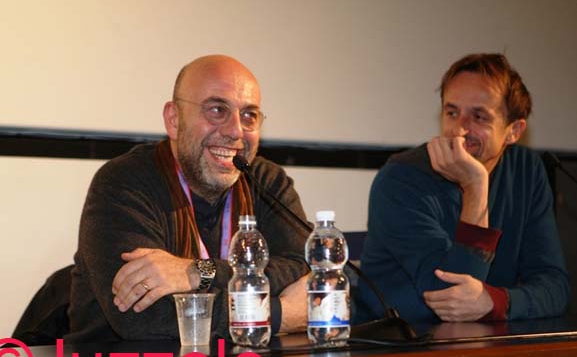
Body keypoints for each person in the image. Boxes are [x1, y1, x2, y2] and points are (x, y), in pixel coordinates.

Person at [66, 55, 309, 342]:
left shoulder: (265, 181)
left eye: (249, 115)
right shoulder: (123, 183)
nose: (235, 131)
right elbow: (145, 316)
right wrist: (278, 313)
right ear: (174, 120)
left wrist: (197, 273)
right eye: (217, 110)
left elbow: (303, 267)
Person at [354, 53, 569, 324]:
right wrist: (475, 187)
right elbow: (450, 297)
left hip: (491, 340)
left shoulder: (526, 169)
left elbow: (555, 286)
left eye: (478, 117)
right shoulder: (400, 179)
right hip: (403, 341)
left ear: (514, 131)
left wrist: (496, 301)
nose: (459, 129)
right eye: (452, 113)